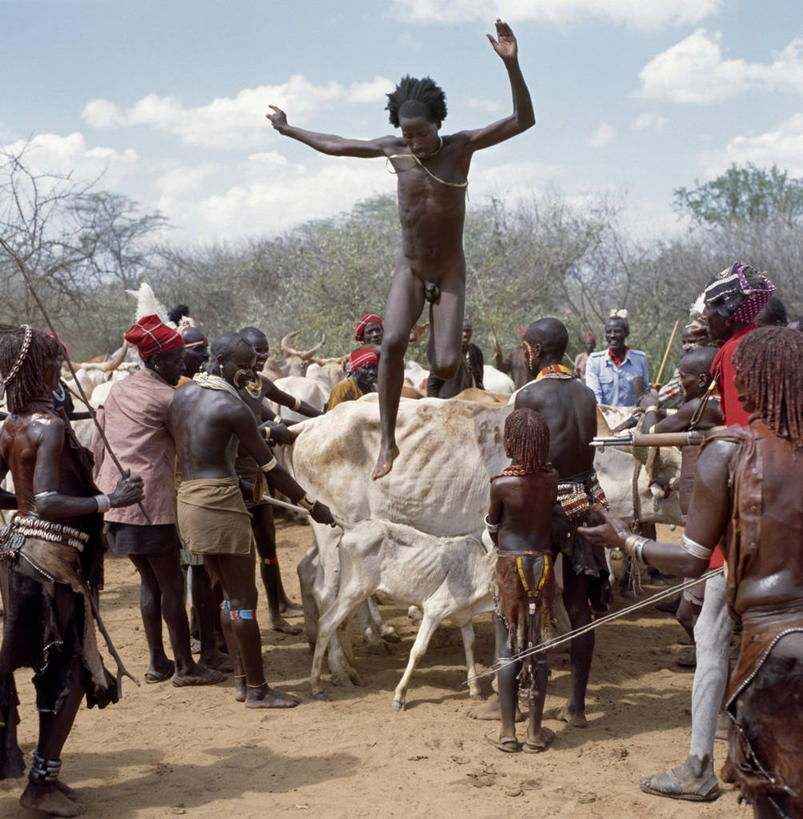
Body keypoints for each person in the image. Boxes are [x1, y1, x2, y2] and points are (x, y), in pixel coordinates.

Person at [267, 19, 534, 479]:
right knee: (391, 342)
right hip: (410, 268)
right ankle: (388, 444)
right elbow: (336, 144)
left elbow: (522, 120)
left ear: (438, 125)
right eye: (409, 136)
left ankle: (438, 350)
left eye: (423, 135)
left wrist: (512, 65)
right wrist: (290, 131)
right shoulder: (395, 152)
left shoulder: (462, 147)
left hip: (449, 270)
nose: (416, 144)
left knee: (446, 362)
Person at [580, 326, 803, 818]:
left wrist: (627, 541)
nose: (735, 386)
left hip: (773, 653)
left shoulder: (731, 450)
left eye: (742, 375)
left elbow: (690, 560)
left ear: (765, 379)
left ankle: (697, 766)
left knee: (777, 799)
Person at [631, 262, 775, 803]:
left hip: (740, 519)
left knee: (711, 636)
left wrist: (630, 542)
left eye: (708, 311)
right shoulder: (768, 350)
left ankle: (699, 765)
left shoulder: (734, 354)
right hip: (776, 511)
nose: (702, 320)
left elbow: (740, 435)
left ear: (723, 311)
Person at [0, 326, 144, 817]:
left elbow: (22, 498)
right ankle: (40, 784)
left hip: (19, 553)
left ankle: (45, 776)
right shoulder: (50, 427)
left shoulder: (10, 424)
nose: (59, 368)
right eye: (53, 360)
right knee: (74, 671)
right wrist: (111, 499)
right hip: (51, 561)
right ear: (42, 369)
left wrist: (19, 507)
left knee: (51, 670)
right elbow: (47, 500)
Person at [170, 332, 335, 707]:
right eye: (243, 367)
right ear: (222, 361)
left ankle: (244, 683)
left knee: (229, 600)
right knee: (244, 600)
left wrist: (242, 482)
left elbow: (192, 451)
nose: (249, 374)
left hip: (190, 502)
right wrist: (313, 506)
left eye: (250, 366)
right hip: (221, 505)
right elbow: (273, 469)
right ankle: (259, 690)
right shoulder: (232, 407)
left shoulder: (181, 396)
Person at [93, 313, 225, 685]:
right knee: (169, 584)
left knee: (149, 582)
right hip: (152, 506)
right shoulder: (172, 398)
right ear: (154, 360)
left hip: (117, 505)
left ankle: (158, 662)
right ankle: (185, 665)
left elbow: (97, 444)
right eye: (175, 359)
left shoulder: (117, 390)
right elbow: (194, 446)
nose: (181, 365)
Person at [515, 317, 608, 727]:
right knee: (579, 606)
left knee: (531, 603)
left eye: (525, 349)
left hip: (544, 505)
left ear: (534, 350)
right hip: (586, 502)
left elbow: (522, 459)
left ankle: (525, 700)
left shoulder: (528, 395)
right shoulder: (587, 394)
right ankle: (577, 706)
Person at [641, 345, 723, 652]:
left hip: (705, 524)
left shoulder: (700, 408)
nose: (679, 383)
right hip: (703, 517)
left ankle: (715, 659)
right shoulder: (711, 405)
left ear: (702, 380)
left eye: (684, 377)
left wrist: (650, 405)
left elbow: (651, 435)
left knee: (690, 613)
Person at [485, 408, 558, 753]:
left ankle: (507, 732)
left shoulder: (501, 485)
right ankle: (535, 732)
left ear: (510, 444)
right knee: (539, 646)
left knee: (507, 646)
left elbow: (492, 526)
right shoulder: (552, 479)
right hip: (542, 564)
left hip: (508, 567)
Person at [234, 326, 315, 635]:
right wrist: (277, 428)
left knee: (268, 544)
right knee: (245, 553)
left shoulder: (259, 385)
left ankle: (277, 605)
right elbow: (268, 423)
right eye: (256, 350)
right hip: (235, 480)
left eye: (265, 350)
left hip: (259, 474)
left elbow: (291, 406)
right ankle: (263, 615)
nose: (262, 355)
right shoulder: (231, 389)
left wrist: (324, 418)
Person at [585, 312, 649, 406]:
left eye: (617, 331)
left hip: (633, 418)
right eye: (608, 332)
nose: (612, 335)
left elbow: (644, 394)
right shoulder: (595, 361)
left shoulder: (640, 359)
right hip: (605, 417)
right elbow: (595, 398)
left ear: (626, 333)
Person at [427, 316, 484, 397]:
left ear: (471, 332)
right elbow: (432, 384)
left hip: (470, 400)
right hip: (449, 401)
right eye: (461, 331)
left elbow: (479, 379)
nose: (465, 334)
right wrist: (433, 403)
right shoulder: (446, 352)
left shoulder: (475, 351)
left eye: (468, 331)